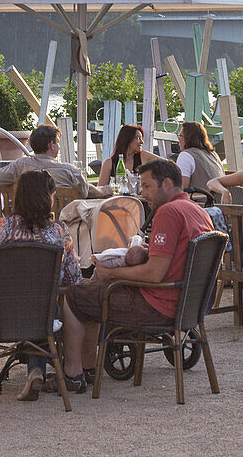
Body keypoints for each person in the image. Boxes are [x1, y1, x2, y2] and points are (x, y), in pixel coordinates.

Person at [60, 159, 213, 392]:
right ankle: (89, 368)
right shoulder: (198, 211)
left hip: (159, 305)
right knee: (92, 291)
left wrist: (111, 272)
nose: (144, 194)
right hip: (189, 305)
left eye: (147, 186)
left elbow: (154, 274)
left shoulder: (168, 212)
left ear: (168, 184)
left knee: (74, 295)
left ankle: (75, 372)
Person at [0, 170, 82, 400]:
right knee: (40, 305)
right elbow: (73, 279)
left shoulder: (1, 227)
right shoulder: (59, 231)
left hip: (2, 315)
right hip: (43, 313)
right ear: (48, 198)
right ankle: (36, 370)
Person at [0, 125, 107, 198]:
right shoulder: (69, 171)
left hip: (30, 224)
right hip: (62, 225)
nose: (59, 146)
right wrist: (102, 192)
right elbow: (85, 192)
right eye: (57, 142)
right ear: (51, 145)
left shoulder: (21, 165)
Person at [96, 124, 160, 187]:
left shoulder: (143, 156)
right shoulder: (109, 163)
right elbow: (100, 188)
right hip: (119, 197)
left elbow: (166, 164)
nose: (142, 142)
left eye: (141, 138)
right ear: (127, 139)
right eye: (138, 138)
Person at [176, 121, 223, 191]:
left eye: (180, 136)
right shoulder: (213, 155)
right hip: (219, 200)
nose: (178, 139)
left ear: (188, 138)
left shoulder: (186, 155)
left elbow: (181, 188)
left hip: (201, 200)